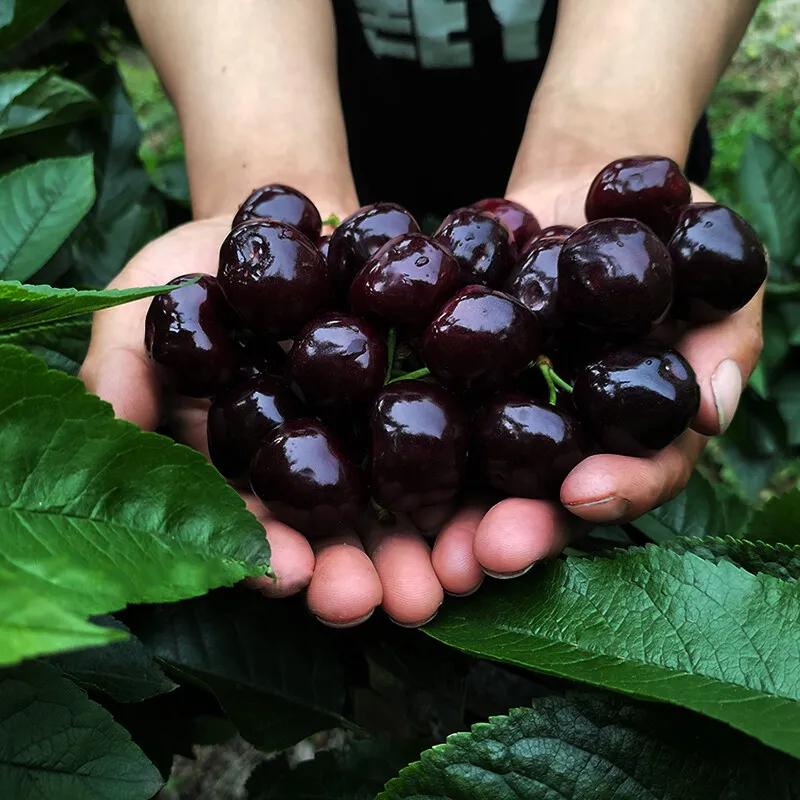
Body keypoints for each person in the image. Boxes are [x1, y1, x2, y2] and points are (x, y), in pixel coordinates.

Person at [80, 0, 764, 628]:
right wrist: (255, 154)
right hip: (354, 107)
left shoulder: (545, 300)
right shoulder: (349, 322)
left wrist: (611, 123)